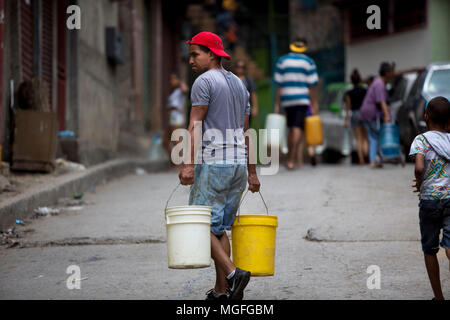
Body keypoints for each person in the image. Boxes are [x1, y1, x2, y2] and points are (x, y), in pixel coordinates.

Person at [179, 31, 261, 300]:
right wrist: (251, 171)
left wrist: (188, 164)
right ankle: (222, 290)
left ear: (212, 54)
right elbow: (247, 132)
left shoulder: (204, 81)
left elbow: (194, 125)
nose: (191, 60)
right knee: (218, 228)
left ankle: (233, 272)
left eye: (195, 54)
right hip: (237, 165)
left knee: (199, 224)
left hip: (215, 162)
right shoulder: (240, 85)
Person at [409, 96, 450, 300]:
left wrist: (419, 182)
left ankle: (439, 297)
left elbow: (419, 167)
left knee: (430, 249)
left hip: (430, 201)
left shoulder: (421, 140)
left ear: (426, 117)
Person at [274, 37, 319, 170]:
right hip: (302, 99)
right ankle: (291, 159)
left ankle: (289, 157)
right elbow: (312, 86)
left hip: (287, 100)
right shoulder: (309, 62)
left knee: (291, 128)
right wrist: (314, 103)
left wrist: (276, 104)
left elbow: (278, 85)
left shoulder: (282, 61)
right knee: (297, 127)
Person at [359, 62, 394, 168]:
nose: (393, 74)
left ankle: (374, 159)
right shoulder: (379, 83)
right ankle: (374, 160)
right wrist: (387, 115)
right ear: (387, 73)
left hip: (366, 112)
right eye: (392, 72)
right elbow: (381, 101)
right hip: (370, 113)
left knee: (372, 136)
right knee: (375, 136)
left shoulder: (377, 82)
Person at [344, 69, 369, 165]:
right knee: (365, 138)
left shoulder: (348, 93)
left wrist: (346, 119)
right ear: (360, 80)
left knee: (358, 139)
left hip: (354, 114)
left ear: (351, 81)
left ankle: (361, 159)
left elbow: (348, 107)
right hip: (364, 113)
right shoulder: (365, 91)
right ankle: (367, 156)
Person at [163, 73, 188, 162]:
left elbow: (185, 89)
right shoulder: (173, 92)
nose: (171, 81)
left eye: (174, 79)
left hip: (177, 118)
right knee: (165, 142)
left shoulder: (180, 91)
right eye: (171, 79)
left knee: (176, 141)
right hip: (172, 117)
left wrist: (180, 82)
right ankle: (173, 161)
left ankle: (179, 163)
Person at [234, 60, 258, 124]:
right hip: (233, 110)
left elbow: (253, 94)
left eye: (242, 67)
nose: (240, 69)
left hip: (246, 110)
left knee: (245, 129)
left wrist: (255, 107)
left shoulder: (248, 80)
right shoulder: (231, 79)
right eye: (238, 67)